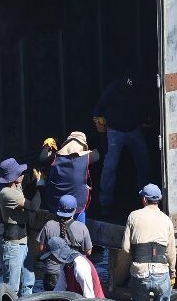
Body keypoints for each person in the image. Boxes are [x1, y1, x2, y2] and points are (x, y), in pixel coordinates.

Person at [93, 74, 152, 209]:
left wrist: (147, 118)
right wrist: (97, 119)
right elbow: (100, 106)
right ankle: (105, 203)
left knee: (144, 163)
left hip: (134, 129)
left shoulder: (139, 89)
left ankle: (146, 200)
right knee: (110, 166)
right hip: (114, 130)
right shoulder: (114, 88)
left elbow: (146, 106)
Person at [118, 184, 176, 301]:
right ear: (159, 199)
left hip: (140, 274)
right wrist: (172, 272)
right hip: (161, 274)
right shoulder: (167, 220)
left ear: (144, 199)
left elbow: (125, 248)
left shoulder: (133, 216)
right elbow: (171, 252)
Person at [0, 158, 35, 296]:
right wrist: (41, 184)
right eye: (19, 173)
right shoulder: (7, 193)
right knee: (12, 289)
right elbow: (33, 206)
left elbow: (26, 185)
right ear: (12, 178)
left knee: (28, 284)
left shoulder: (16, 187)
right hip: (13, 246)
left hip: (23, 242)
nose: (22, 175)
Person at [42, 132, 99, 222]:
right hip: (78, 206)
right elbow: (97, 153)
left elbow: (42, 159)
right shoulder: (87, 157)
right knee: (78, 231)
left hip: (55, 203)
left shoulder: (55, 157)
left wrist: (47, 146)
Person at [37, 195, 93, 277]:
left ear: (58, 208)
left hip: (52, 272)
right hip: (72, 272)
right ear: (75, 210)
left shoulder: (49, 225)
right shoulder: (81, 227)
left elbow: (41, 248)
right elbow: (88, 252)